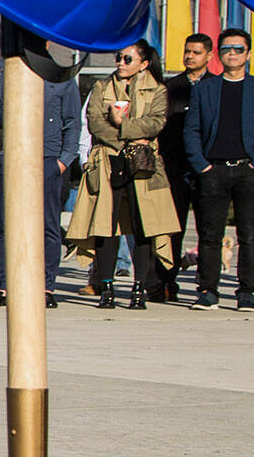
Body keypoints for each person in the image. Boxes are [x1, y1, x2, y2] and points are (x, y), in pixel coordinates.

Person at [66, 40, 179, 309]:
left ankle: (139, 289)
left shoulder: (158, 90)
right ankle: (106, 287)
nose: (120, 62)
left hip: (143, 166)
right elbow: (95, 123)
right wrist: (125, 137)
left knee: (143, 227)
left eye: (127, 58)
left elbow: (156, 123)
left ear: (144, 62)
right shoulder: (101, 87)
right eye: (118, 57)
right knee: (105, 226)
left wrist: (122, 124)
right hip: (107, 161)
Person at [183, 27, 254, 311]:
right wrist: (201, 165)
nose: (232, 53)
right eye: (227, 48)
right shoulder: (205, 89)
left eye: (238, 49)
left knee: (248, 234)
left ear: (248, 54)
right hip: (212, 170)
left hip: (248, 171)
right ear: (219, 54)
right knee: (210, 234)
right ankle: (208, 290)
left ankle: (247, 292)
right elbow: (192, 130)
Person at [0, 57, 81, 309]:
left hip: (48, 159)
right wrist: (13, 111)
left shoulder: (62, 76)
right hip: (12, 157)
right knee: (7, 227)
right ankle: (6, 286)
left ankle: (46, 287)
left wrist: (63, 162)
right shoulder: (8, 74)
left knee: (48, 225)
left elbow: (73, 123)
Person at [156, 33, 215, 300]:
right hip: (175, 166)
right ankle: (166, 282)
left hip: (207, 168)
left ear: (209, 56)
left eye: (196, 52)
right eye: (187, 51)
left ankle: (205, 285)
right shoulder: (170, 87)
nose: (190, 56)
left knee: (208, 229)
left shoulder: (217, 86)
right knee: (172, 228)